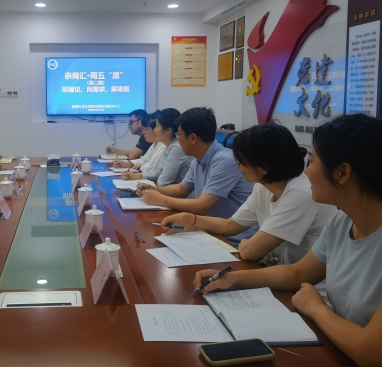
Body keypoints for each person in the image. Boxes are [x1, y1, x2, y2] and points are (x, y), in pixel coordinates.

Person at [194, 114, 382, 366]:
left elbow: (371, 352)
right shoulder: (342, 221)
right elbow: (298, 273)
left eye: (311, 162)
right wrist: (232, 278)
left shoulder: (304, 196)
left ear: (342, 173)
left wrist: (315, 307)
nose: (306, 172)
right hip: (335, 344)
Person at [161, 122, 335, 270]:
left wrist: (245, 243)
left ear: (264, 167)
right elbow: (230, 225)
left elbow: (249, 251)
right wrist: (190, 219)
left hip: (306, 287)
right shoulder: (263, 186)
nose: (237, 166)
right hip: (278, 274)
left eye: (241, 160)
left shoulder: (300, 194)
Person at [138, 107, 256, 244]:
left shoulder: (224, 161)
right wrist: (155, 190)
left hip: (234, 240)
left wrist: (160, 199)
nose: (177, 139)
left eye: (179, 134)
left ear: (193, 138)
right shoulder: (198, 158)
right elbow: (182, 189)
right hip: (210, 230)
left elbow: (202, 206)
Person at [122, 108, 191, 186]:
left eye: (156, 126)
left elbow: (163, 182)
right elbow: (158, 172)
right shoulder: (169, 146)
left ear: (168, 130)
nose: (154, 130)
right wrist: (137, 176)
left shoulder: (176, 148)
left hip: (180, 193)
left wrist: (150, 187)